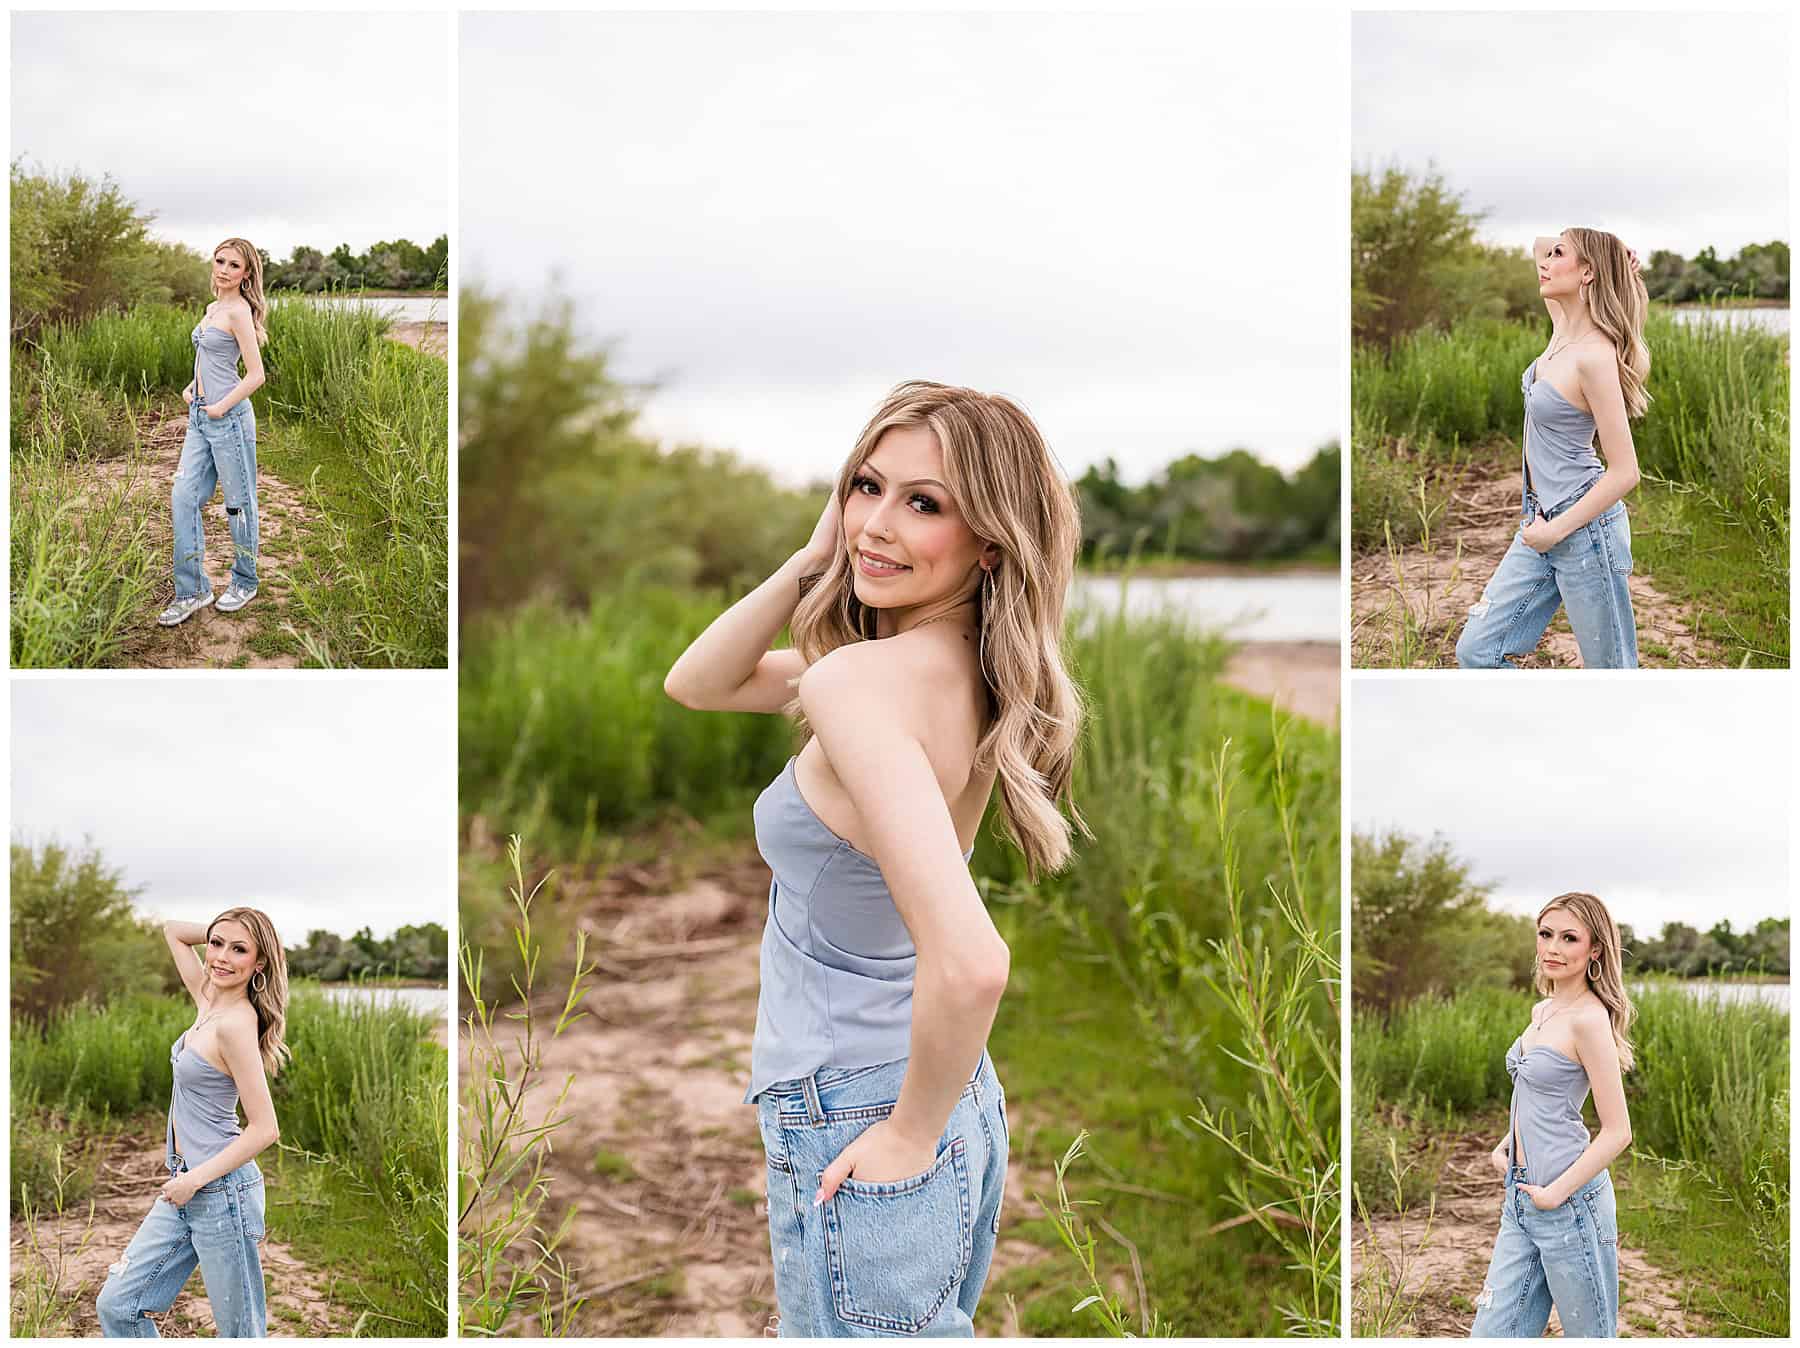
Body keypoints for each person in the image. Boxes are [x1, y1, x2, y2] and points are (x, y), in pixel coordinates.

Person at [664, 380, 1086, 1336]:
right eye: (867, 487)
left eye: (924, 503)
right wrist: (817, 555)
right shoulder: (969, 669)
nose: (879, 525)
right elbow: (698, 681)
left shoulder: (859, 683)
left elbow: (975, 963)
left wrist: (906, 1135)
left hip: (862, 1104)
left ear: (991, 541)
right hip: (953, 1092)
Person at [1455, 229, 1649, 669]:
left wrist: (1557, 530)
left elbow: (1625, 472)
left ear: (1586, 273)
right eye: (1551, 255)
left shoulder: (1594, 356)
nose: (1545, 261)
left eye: (1560, 255)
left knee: (1611, 672)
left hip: (1584, 531)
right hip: (1540, 522)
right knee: (1476, 651)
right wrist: (1611, 256)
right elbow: (1539, 242)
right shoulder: (1561, 326)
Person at [96, 908, 288, 1337]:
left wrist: (195, 1179)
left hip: (221, 1193)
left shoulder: (236, 1025)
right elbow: (173, 932)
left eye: (239, 950)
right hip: (187, 1185)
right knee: (118, 1305)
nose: (220, 955)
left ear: (259, 963)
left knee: (240, 1333)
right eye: (217, 943)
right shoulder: (208, 998)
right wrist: (230, 932)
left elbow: (265, 1128)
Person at [1470, 892, 1634, 1338]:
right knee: (1491, 1335)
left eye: (1569, 938)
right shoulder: (1541, 1011)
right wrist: (1507, 1143)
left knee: (1590, 1337)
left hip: (1570, 1204)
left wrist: (1556, 1193)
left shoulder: (1589, 1020)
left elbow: (1618, 1132)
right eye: (1546, 934)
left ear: (1594, 950)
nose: (1553, 948)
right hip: (1520, 1200)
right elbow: (1540, 1096)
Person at [160, 238, 268, 627]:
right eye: (220, 260)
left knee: (238, 503)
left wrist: (221, 405)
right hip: (200, 417)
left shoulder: (239, 312)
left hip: (230, 418)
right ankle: (193, 590)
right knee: (183, 497)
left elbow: (256, 375)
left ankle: (245, 579)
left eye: (233, 265)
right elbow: (208, 357)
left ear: (246, 274)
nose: (223, 269)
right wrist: (194, 387)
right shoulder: (212, 308)